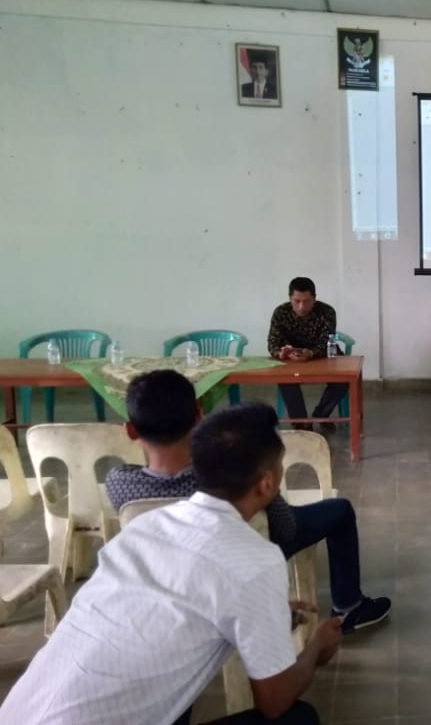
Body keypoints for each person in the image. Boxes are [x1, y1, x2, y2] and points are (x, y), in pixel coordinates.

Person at [0, 403, 340, 725]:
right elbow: (274, 701)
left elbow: (177, 607)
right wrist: (316, 649)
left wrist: (266, 611)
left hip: (18, 714)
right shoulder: (258, 561)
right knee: (298, 718)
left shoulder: (146, 527)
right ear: (266, 483)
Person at [105, 369, 390, 633]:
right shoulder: (227, 476)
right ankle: (349, 606)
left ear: (130, 430)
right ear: (199, 415)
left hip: (168, 577)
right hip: (242, 565)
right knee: (339, 510)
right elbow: (286, 528)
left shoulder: (119, 482)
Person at [268, 277, 348, 427]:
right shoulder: (280, 313)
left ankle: (321, 414)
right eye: (297, 301)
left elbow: (327, 342)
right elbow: (273, 344)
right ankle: (301, 423)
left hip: (322, 356)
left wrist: (310, 353)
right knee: (286, 380)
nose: (301, 307)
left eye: (306, 301)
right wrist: (281, 353)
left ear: (314, 298)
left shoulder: (327, 312)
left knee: (344, 378)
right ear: (290, 298)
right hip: (292, 359)